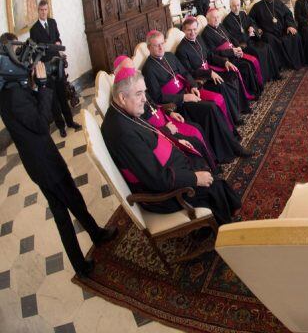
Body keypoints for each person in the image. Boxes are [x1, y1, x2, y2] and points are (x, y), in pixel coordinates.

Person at [0, 33, 116, 277]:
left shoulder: (8, 89)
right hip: (44, 163)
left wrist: (37, 82)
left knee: (69, 203)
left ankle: (95, 235)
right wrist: (42, 85)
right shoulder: (14, 96)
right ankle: (82, 263)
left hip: (39, 161)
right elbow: (42, 123)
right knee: (65, 210)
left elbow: (34, 108)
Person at [101, 70, 241, 224]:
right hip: (162, 194)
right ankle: (226, 234)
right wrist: (195, 178)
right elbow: (156, 179)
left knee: (197, 156)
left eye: (144, 93)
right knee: (215, 186)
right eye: (139, 94)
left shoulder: (122, 112)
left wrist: (175, 141)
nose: (145, 100)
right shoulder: (122, 133)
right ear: (122, 97)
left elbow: (151, 135)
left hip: (168, 169)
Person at [142, 30, 253, 162]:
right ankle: (230, 150)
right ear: (149, 48)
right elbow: (157, 97)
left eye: (162, 43)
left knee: (214, 107)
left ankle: (229, 145)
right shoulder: (148, 69)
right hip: (177, 105)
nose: (161, 47)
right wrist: (183, 98)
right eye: (156, 45)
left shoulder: (169, 56)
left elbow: (185, 72)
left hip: (188, 92)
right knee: (211, 108)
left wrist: (193, 85)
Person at [113, 56, 217, 170]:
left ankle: (213, 165)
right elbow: (144, 129)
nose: (132, 73)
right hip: (160, 131)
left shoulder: (135, 87)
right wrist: (166, 130)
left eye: (133, 69)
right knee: (194, 140)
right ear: (116, 74)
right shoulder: (126, 102)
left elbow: (152, 103)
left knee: (197, 129)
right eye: (128, 71)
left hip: (165, 119)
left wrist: (169, 112)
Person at [176, 16, 253, 126]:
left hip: (210, 71)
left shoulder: (199, 39)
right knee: (222, 85)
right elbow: (190, 71)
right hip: (202, 79)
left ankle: (241, 107)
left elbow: (210, 55)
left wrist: (224, 62)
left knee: (232, 74)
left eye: (194, 29)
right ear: (184, 30)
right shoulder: (181, 50)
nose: (192, 32)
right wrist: (209, 73)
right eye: (189, 30)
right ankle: (233, 118)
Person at [28, 0, 81, 137]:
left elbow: (58, 38)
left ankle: (70, 122)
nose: (44, 12)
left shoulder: (52, 22)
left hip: (57, 64)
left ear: (47, 10)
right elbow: (34, 51)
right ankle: (61, 126)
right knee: (53, 100)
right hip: (46, 67)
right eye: (41, 10)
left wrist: (58, 43)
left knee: (63, 95)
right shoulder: (33, 30)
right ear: (38, 11)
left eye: (45, 10)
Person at [199, 8, 263, 99]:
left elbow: (231, 38)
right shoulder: (206, 34)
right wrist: (231, 52)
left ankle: (256, 90)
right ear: (208, 19)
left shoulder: (220, 26)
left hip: (233, 53)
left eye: (218, 17)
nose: (216, 19)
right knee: (245, 66)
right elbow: (213, 53)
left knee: (250, 63)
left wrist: (238, 47)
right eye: (214, 18)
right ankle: (249, 94)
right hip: (225, 59)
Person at [222, 0, 282, 82]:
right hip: (242, 45)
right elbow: (233, 38)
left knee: (267, 47)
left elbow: (252, 22)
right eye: (234, 6)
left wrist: (251, 27)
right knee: (259, 52)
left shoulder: (243, 14)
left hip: (251, 40)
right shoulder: (227, 21)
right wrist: (247, 35)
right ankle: (263, 78)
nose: (236, 8)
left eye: (238, 5)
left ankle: (274, 74)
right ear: (230, 7)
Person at [249, 0, 304, 70]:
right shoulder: (257, 6)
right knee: (272, 40)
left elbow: (288, 15)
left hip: (282, 30)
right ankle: (279, 66)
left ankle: (294, 62)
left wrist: (290, 26)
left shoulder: (279, 3)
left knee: (295, 36)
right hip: (267, 33)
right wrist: (257, 28)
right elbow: (251, 20)